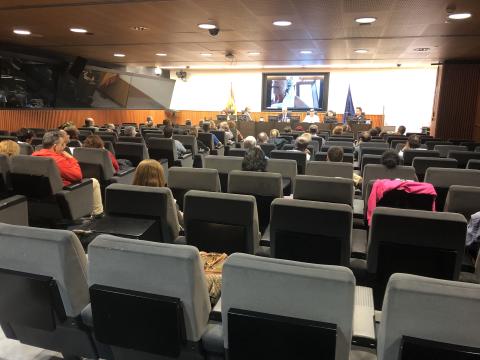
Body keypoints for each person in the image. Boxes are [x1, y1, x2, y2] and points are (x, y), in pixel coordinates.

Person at [32, 131, 103, 217]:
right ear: (55, 146)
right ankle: (97, 214)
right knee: (94, 182)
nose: (64, 147)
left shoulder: (33, 155)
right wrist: (71, 158)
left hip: (41, 196)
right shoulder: (58, 160)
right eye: (62, 145)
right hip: (64, 193)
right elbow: (78, 176)